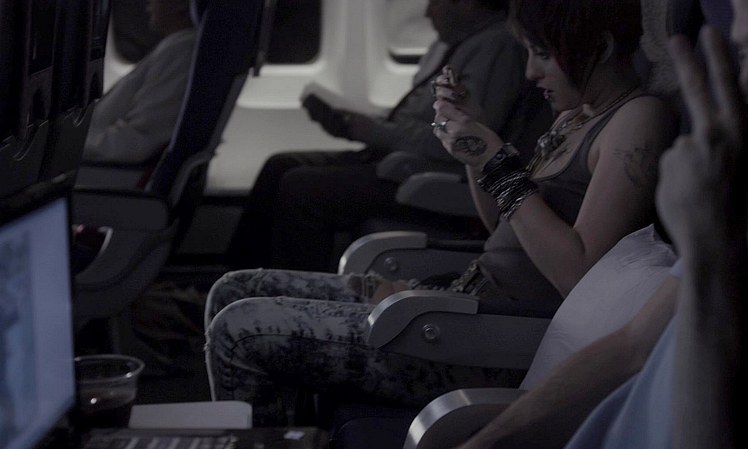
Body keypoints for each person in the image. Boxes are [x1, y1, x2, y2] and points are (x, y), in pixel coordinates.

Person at [204, 0, 677, 426]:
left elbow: (579, 274)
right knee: (234, 289)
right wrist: (476, 145)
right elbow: (502, 228)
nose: (531, 72)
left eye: (542, 54)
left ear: (602, 46)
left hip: (486, 339)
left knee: (239, 331)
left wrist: (497, 164)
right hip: (456, 300)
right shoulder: (575, 117)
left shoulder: (638, 121)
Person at [456, 0, 748, 447]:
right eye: (744, 53)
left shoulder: (656, 134)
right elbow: (633, 348)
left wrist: (712, 246)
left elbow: (577, 273)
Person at [226, 0, 551, 271]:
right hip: (402, 161)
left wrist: (376, 132)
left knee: (301, 188)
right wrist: (363, 123)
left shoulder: (497, 47)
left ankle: (287, 295)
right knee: (280, 165)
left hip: (429, 174)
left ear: (467, 4)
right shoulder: (456, 44)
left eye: (436, 2)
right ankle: (238, 277)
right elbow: (423, 117)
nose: (428, 12)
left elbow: (460, 138)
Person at [82, 0, 195, 164]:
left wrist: (68, 145)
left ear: (181, 5)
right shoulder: (177, 46)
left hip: (105, 171)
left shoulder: (181, 50)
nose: (149, 3)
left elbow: (136, 141)